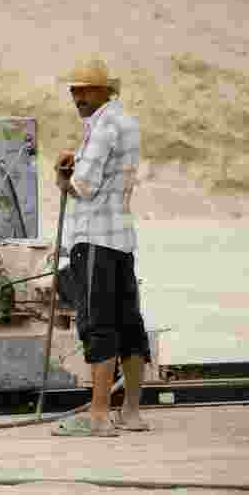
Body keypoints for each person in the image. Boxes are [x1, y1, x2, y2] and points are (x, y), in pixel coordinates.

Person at [51, 57, 151, 438]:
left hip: (94, 239)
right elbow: (107, 172)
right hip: (121, 239)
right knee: (130, 325)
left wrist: (63, 177)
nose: (78, 98)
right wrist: (78, 162)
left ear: (104, 91)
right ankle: (131, 413)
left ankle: (97, 416)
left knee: (98, 325)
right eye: (74, 91)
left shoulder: (102, 127)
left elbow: (85, 185)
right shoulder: (127, 122)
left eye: (85, 91)